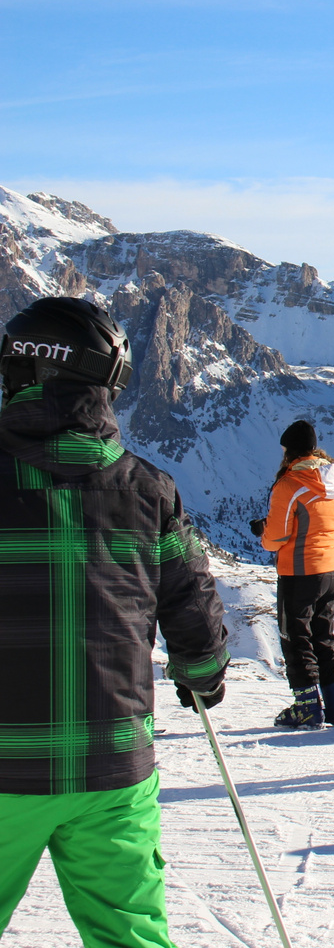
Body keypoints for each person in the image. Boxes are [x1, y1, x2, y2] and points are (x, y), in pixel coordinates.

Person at [0, 297, 229, 947]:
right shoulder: (147, 488)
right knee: (130, 933)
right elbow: (190, 597)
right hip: (111, 764)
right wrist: (201, 672)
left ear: (26, 371)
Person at [255, 419, 334, 728]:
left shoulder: (289, 485)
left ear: (290, 451)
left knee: (295, 637)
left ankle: (307, 707)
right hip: (331, 570)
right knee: (323, 635)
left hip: (298, 572)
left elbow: (275, 537)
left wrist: (261, 531)